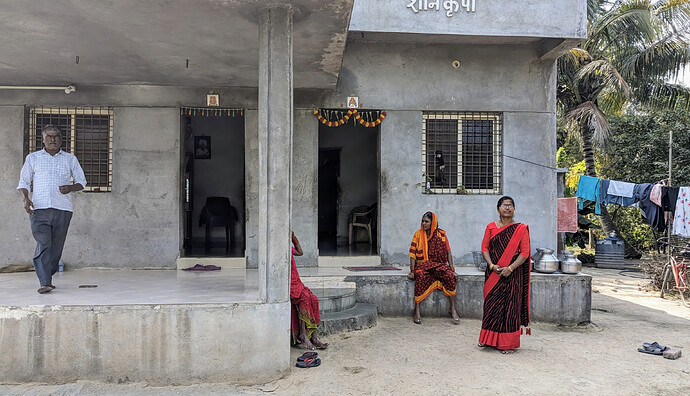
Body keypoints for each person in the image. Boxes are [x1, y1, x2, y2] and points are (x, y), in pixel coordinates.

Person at [17, 125, 86, 294]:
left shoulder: (70, 159)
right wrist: (26, 199)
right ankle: (45, 282)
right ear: (43, 139)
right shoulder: (33, 158)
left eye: (56, 136)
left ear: (62, 139)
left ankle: (48, 272)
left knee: (56, 248)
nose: (53, 139)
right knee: (43, 243)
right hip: (38, 209)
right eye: (49, 136)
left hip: (62, 209)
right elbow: (24, 182)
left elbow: (82, 182)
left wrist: (70, 188)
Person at [478, 196, 531, 354]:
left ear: (514, 209)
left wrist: (511, 268)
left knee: (510, 308)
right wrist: (492, 265)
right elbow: (484, 248)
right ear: (498, 208)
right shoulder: (490, 227)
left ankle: (508, 344)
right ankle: (488, 339)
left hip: (512, 275)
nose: (507, 208)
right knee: (491, 306)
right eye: (504, 205)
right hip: (494, 272)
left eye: (510, 205)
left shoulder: (520, 229)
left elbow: (525, 252)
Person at [408, 211, 460, 324]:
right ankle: (417, 310)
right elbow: (412, 254)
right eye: (422, 221)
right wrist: (412, 270)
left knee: (449, 275)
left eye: (426, 221)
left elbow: (448, 253)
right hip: (423, 265)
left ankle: (452, 308)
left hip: (438, 265)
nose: (423, 223)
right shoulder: (418, 234)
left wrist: (452, 269)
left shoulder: (441, 235)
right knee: (420, 275)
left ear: (433, 223)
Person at [290, 232, 328, 350]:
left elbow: (300, 252)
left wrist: (294, 239)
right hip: (289, 284)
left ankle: (314, 338)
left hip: (296, 282)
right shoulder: (278, 250)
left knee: (314, 299)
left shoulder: (289, 249)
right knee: (305, 298)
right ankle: (303, 335)